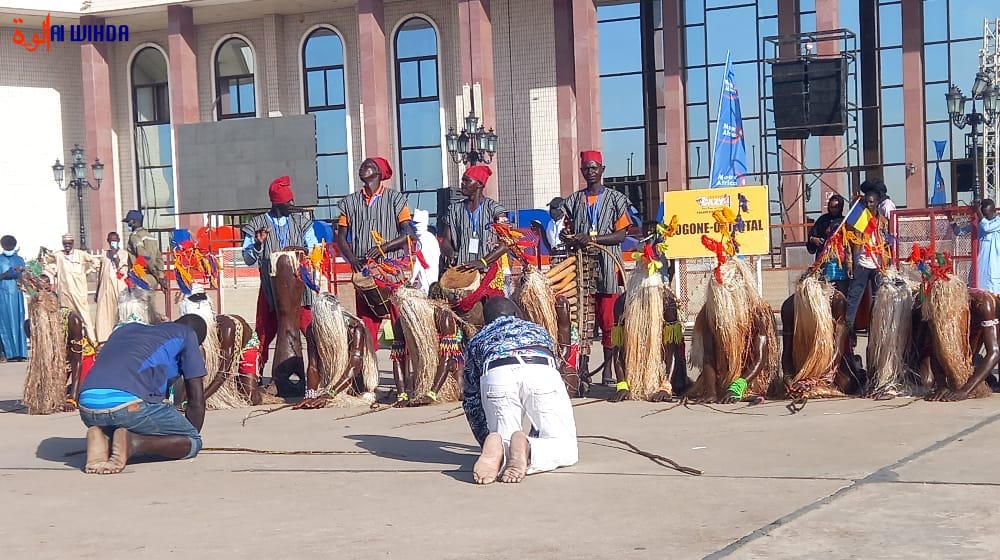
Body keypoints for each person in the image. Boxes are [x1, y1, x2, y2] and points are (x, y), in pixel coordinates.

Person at [463, 297, 578, 484]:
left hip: (496, 372)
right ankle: (529, 449)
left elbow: (471, 398)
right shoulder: (538, 330)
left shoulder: (478, 339)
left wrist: (484, 438)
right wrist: (534, 435)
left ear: (486, 321)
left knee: (505, 441)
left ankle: (501, 450)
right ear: (517, 314)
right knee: (565, 448)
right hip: (539, 368)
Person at [78, 314, 208, 475]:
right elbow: (196, 401)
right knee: (193, 441)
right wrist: (188, 435)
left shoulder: (126, 329)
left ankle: (103, 436)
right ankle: (134, 443)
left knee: (125, 424)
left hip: (87, 406)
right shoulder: (187, 334)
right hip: (128, 406)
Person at [563, 150, 633, 385]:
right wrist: (569, 237)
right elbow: (566, 230)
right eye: (586, 168)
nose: (590, 172)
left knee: (609, 320)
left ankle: (608, 371)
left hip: (608, 266)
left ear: (602, 170)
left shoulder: (616, 199)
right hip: (582, 266)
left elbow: (621, 235)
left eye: (594, 168)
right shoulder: (573, 201)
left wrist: (592, 239)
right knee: (581, 319)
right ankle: (581, 368)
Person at [335, 157, 415, 346]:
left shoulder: (396, 199)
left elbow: (409, 234)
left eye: (368, 166)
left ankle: (403, 359)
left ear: (379, 172)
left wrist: (383, 248)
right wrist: (352, 259)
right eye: (362, 165)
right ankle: (367, 360)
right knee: (366, 321)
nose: (362, 168)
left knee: (398, 319)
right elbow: (340, 236)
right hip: (363, 270)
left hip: (391, 270)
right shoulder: (349, 202)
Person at [241, 176, 318, 371]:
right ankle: (255, 373)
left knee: (311, 330)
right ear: (277, 203)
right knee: (263, 333)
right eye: (288, 202)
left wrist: (302, 249)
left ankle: (319, 369)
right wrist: (257, 244)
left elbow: (316, 249)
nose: (292, 205)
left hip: (300, 291)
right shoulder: (257, 224)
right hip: (271, 290)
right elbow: (248, 259)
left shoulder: (301, 222)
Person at [440, 165, 508, 271]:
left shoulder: (495, 209)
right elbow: (446, 240)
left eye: (467, 180)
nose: (462, 183)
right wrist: (451, 253)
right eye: (462, 180)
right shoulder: (454, 210)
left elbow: (505, 243)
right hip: (462, 269)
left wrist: (483, 262)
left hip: (488, 271)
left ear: (479, 184)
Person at [845, 189, 891, 331]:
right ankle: (848, 329)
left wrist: (887, 263)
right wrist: (849, 263)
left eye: (871, 202)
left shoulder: (884, 222)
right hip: (862, 263)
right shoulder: (859, 220)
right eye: (866, 202)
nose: (868, 204)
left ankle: (876, 328)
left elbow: (888, 244)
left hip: (878, 265)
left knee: (879, 298)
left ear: (877, 203)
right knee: (854, 297)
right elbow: (848, 243)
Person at [46, 234, 98, 340]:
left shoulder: (80, 254)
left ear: (73, 243)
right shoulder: (59, 255)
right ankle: (68, 341)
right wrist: (54, 273)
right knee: (66, 317)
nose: (67, 246)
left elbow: (96, 262)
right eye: (65, 243)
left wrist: (88, 272)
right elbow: (44, 261)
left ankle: (92, 340)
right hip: (64, 292)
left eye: (69, 243)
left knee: (85, 316)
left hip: (79, 292)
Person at [806, 194, 849, 295]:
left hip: (840, 260)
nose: (833, 209)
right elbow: (811, 235)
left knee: (841, 287)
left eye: (836, 207)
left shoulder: (845, 222)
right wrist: (813, 239)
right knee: (824, 285)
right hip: (824, 258)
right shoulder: (822, 220)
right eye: (831, 207)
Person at [94, 231, 129, 343]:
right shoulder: (104, 255)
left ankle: (121, 336)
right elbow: (100, 273)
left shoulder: (123, 254)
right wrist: (97, 290)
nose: (113, 242)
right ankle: (104, 338)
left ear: (118, 241)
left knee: (119, 311)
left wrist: (115, 255)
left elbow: (122, 269)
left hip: (118, 286)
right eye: (111, 241)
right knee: (104, 312)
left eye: (115, 240)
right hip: (105, 288)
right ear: (108, 242)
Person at [122, 210, 167, 290]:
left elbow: (143, 256)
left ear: (134, 222)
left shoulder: (135, 236)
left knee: (136, 298)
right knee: (149, 298)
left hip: (140, 278)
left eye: (128, 222)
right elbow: (159, 258)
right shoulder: (150, 236)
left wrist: (155, 272)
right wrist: (160, 276)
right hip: (153, 280)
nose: (127, 225)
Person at [0, 235, 27, 361]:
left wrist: (20, 272)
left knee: (18, 322)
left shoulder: (19, 260)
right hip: (3, 294)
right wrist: (6, 274)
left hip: (17, 294)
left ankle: (21, 352)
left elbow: (25, 277)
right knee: (4, 323)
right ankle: (8, 353)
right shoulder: (0, 260)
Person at [973, 198, 1000, 294]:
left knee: (994, 298)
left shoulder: (998, 222)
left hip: (993, 270)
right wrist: (950, 218)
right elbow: (959, 231)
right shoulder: (980, 223)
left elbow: (987, 227)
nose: (984, 217)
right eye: (983, 214)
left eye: (987, 214)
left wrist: (978, 212)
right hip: (979, 269)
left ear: (994, 211)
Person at [411, 209, 440, 295]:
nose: (416, 226)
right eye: (414, 223)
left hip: (428, 273)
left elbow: (420, 262)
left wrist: (412, 279)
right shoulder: (420, 239)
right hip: (424, 273)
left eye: (418, 223)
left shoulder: (427, 239)